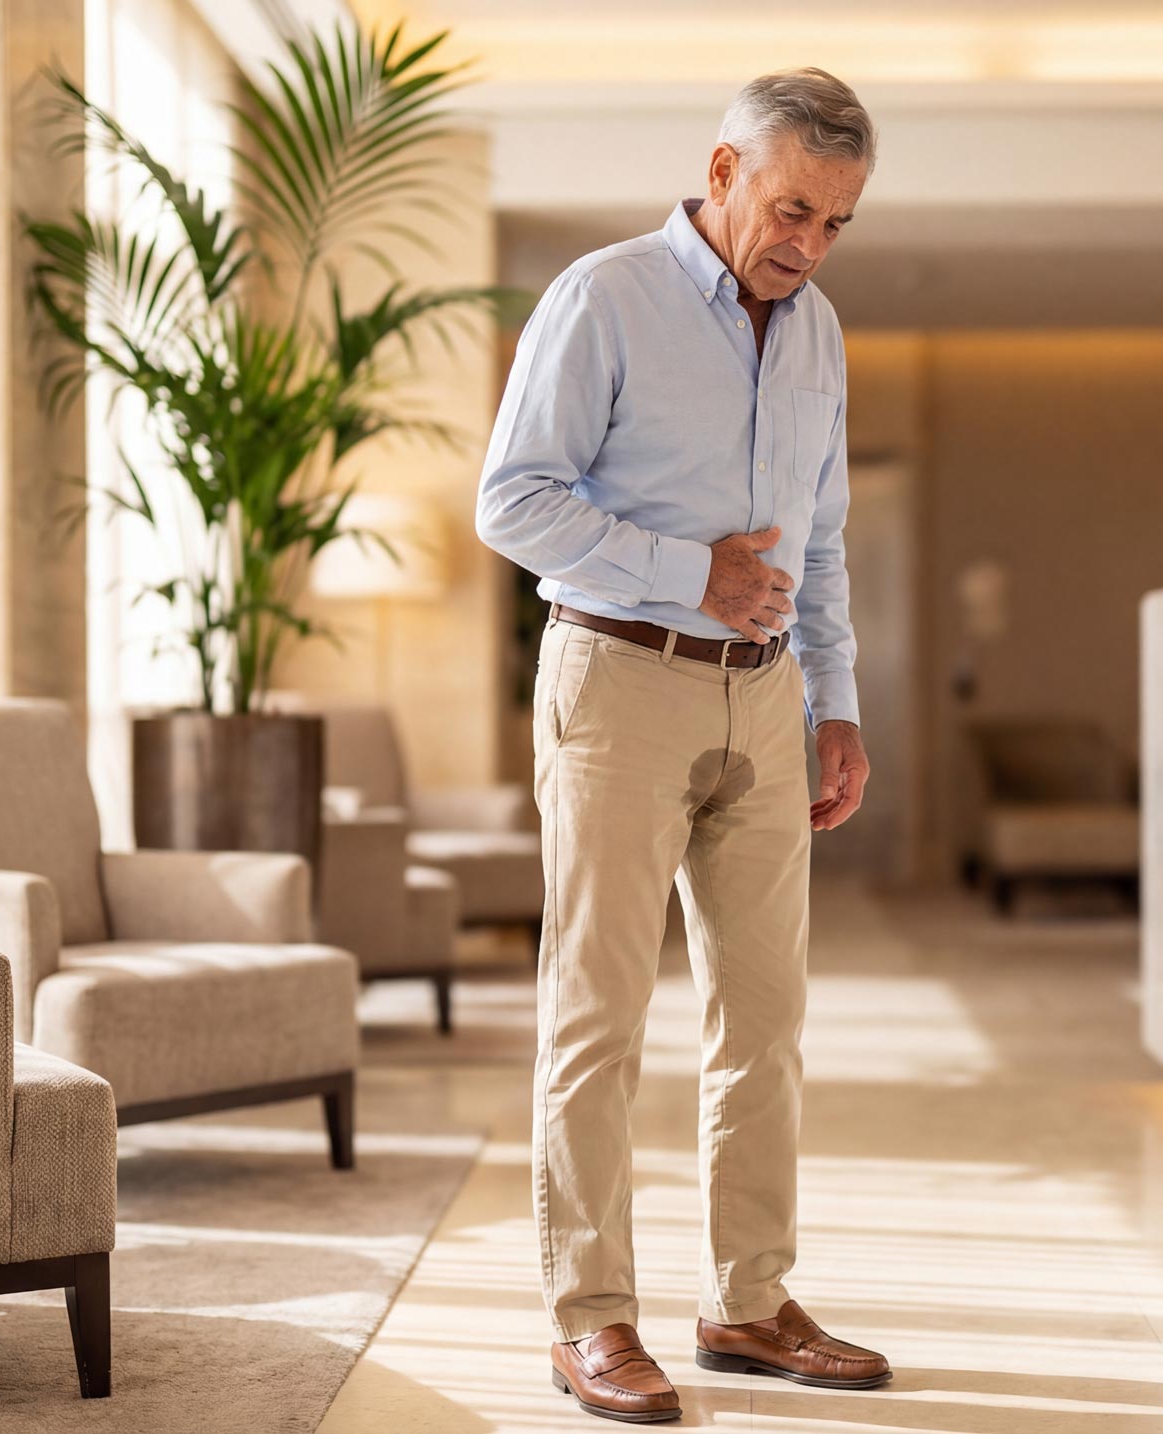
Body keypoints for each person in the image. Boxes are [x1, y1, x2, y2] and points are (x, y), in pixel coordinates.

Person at [475, 66, 887, 1424]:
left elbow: (818, 539)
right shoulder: (605, 298)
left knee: (765, 1017)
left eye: (834, 223)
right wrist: (681, 570)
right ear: (721, 173)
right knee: (598, 1011)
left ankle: (748, 1299)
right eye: (791, 209)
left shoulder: (817, 331)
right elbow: (511, 501)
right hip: (619, 679)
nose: (809, 244)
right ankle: (589, 1315)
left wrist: (836, 703)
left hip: (764, 696)